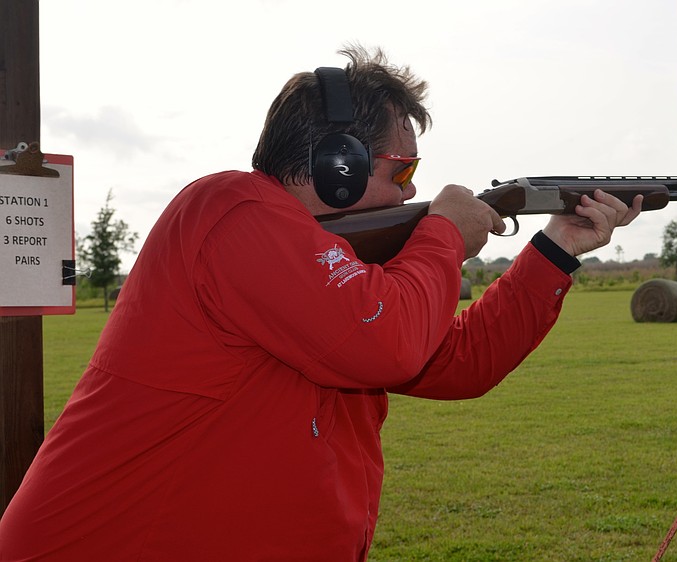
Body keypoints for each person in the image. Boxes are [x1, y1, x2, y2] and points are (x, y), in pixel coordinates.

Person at [0, 46, 642, 561]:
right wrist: (443, 233)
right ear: (339, 163)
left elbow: (460, 362)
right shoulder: (231, 209)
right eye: (401, 172)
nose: (406, 195)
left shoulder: (338, 271)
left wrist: (557, 248)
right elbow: (384, 343)